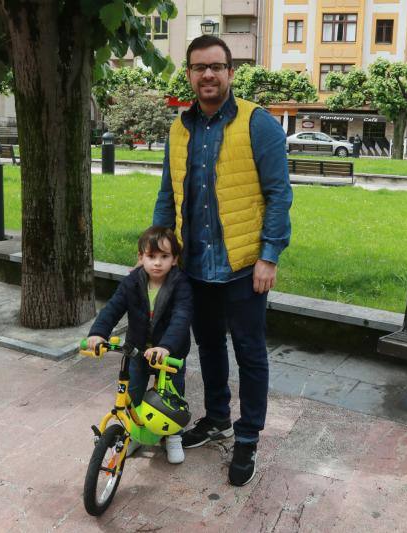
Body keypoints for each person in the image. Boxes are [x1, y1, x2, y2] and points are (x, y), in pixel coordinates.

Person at [153, 35, 292, 486]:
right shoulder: (180, 128)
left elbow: (278, 195)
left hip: (243, 267)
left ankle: (248, 438)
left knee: (250, 353)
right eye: (198, 67)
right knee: (209, 347)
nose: (207, 75)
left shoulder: (259, 123)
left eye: (216, 66)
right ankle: (217, 418)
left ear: (231, 72)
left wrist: (268, 256)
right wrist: (161, 251)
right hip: (195, 266)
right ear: (189, 74)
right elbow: (168, 194)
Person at [85, 226, 193, 465]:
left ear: (174, 260)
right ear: (140, 257)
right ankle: (133, 434)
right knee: (132, 394)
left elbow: (181, 317)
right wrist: (98, 333)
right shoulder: (132, 282)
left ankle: (173, 436)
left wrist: (166, 347)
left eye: (164, 257)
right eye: (151, 257)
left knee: (171, 396)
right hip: (137, 350)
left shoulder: (181, 284)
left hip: (169, 354)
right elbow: (113, 307)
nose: (157, 263)